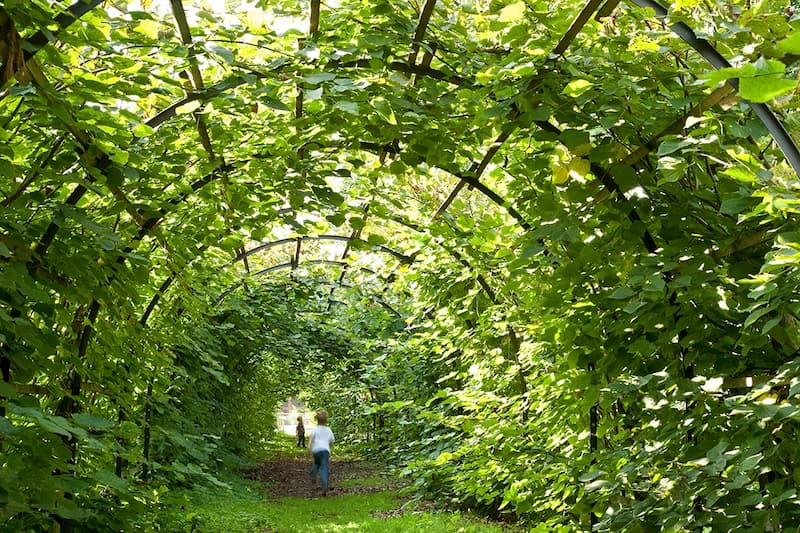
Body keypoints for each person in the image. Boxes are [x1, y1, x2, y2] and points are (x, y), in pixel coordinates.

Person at [308, 410, 335, 495]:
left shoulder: (314, 430)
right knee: (324, 467)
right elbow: (332, 441)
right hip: (325, 451)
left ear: (317, 420)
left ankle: (313, 474)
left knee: (316, 464)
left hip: (316, 450)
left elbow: (309, 443)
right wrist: (329, 447)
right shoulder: (328, 430)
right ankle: (324, 485)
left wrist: (309, 450)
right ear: (326, 420)